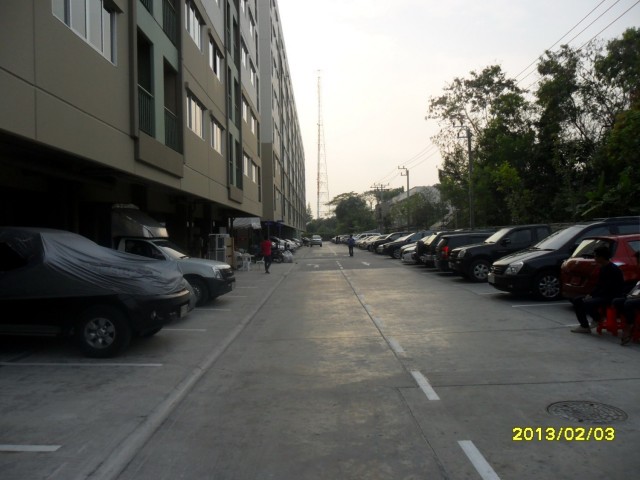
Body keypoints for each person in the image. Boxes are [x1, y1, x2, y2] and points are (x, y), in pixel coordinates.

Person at [570, 246, 625, 334]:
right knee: (577, 300)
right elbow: (599, 285)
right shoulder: (602, 268)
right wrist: (591, 294)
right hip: (601, 295)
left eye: (596, 256)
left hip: (612, 296)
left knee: (587, 303)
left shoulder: (613, 270)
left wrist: (594, 296)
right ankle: (584, 326)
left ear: (602, 257)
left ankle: (597, 318)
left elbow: (609, 287)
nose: (594, 258)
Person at [613, 279, 640, 345]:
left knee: (628, 303)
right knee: (616, 301)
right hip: (635, 297)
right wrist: (631, 295)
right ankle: (630, 321)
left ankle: (629, 325)